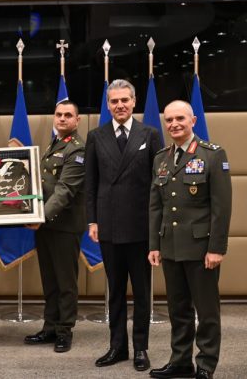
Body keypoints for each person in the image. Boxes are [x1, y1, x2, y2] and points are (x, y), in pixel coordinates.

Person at [148, 101, 231, 379]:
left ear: (193, 120)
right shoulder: (161, 158)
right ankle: (180, 361)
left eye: (180, 119)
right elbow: (156, 206)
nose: (174, 124)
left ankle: (205, 364)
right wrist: (154, 244)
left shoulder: (212, 154)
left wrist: (216, 248)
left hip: (201, 247)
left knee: (206, 311)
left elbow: (221, 207)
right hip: (171, 246)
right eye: (169, 120)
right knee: (178, 309)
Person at [85, 79, 162, 371]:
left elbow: (158, 183)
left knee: (141, 292)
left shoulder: (150, 134)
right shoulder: (96, 136)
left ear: (134, 102)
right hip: (109, 224)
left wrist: (156, 224)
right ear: (108, 105)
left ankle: (141, 348)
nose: (120, 105)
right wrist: (92, 219)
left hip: (140, 225)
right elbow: (91, 183)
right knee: (115, 291)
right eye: (114, 101)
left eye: (124, 100)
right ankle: (117, 346)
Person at [24, 100, 86, 353]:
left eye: (68, 115)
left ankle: (64, 331)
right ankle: (50, 326)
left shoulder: (77, 149)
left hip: (64, 226)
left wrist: (41, 217)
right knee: (49, 280)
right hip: (47, 225)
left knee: (65, 282)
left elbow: (64, 190)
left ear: (77, 120)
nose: (62, 119)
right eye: (59, 114)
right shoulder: (55, 144)